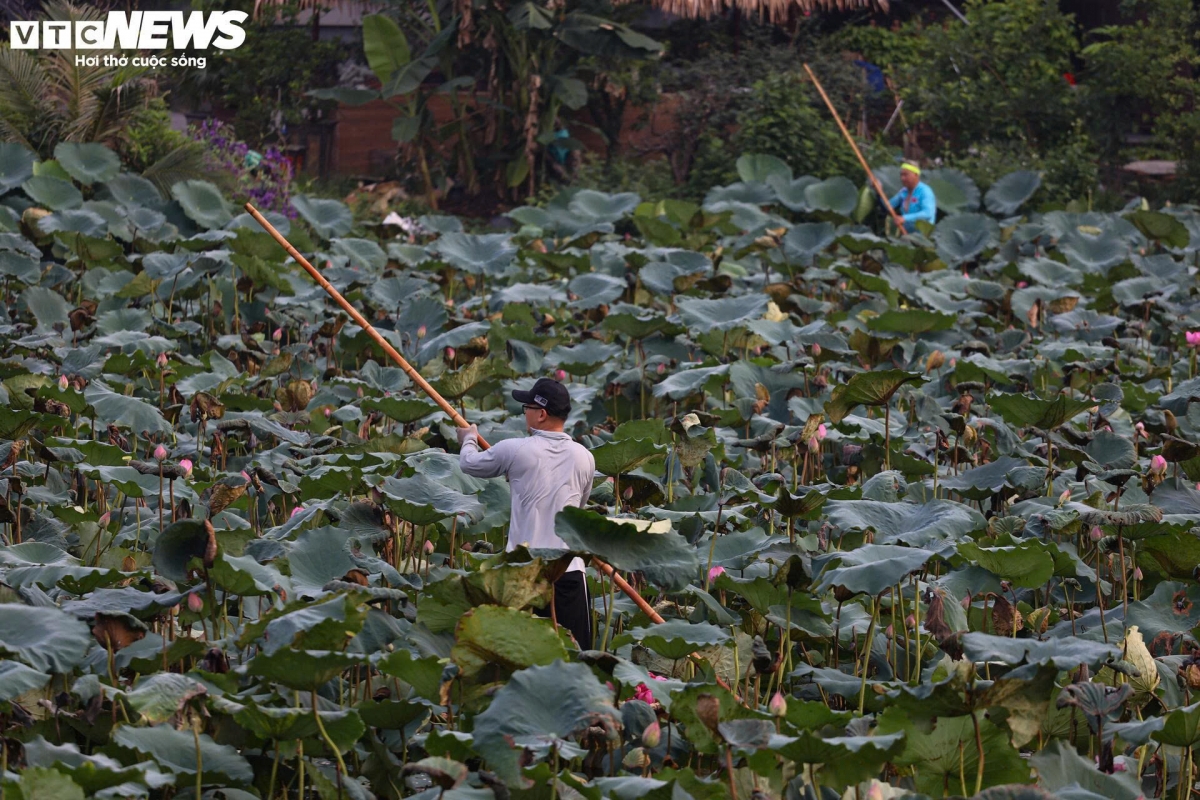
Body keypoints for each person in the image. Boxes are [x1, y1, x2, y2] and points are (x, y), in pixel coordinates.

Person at [457, 377, 596, 648]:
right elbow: (577, 512)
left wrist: (468, 439)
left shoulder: (516, 449)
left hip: (523, 576)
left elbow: (468, 464)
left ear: (541, 414)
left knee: (524, 661)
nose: (525, 414)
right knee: (578, 664)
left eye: (527, 408)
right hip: (570, 575)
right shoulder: (585, 457)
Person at [887, 161, 937, 234]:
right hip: (906, 235)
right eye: (901, 175)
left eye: (906, 175)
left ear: (916, 175)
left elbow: (928, 213)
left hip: (923, 238)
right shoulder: (903, 191)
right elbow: (888, 206)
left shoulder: (925, 191)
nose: (902, 178)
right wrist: (878, 189)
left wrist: (904, 218)